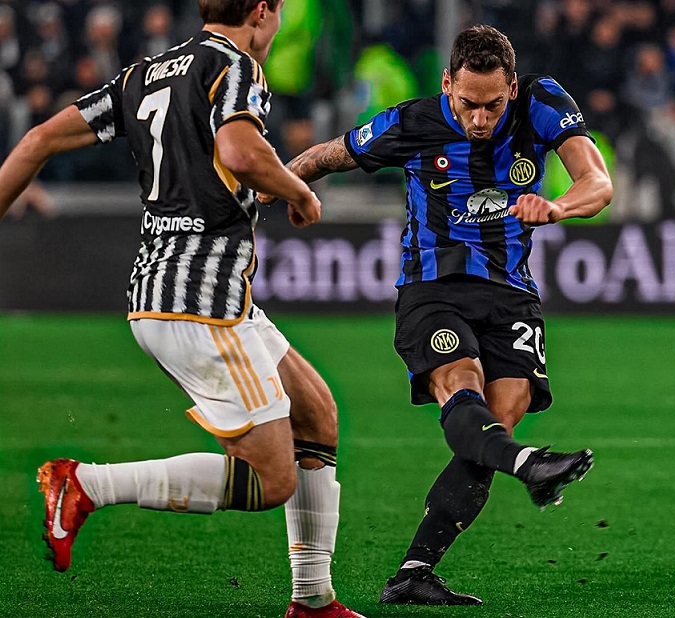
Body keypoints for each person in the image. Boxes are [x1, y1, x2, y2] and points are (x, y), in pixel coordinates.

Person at [0, 2, 364, 617]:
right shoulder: (235, 67)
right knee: (271, 480)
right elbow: (241, 152)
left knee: (316, 415)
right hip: (201, 304)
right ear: (262, 11)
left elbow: (36, 140)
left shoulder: (144, 74)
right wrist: (299, 191)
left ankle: (312, 600)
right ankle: (84, 484)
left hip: (177, 293)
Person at [271, 25, 613, 605]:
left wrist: (557, 206)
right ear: (448, 82)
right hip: (433, 289)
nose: (480, 119)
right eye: (468, 103)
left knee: (495, 424)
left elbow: (598, 183)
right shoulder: (411, 123)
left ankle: (414, 573)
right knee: (463, 383)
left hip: (511, 292)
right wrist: (266, 190)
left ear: (512, 87)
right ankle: (529, 466)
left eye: (493, 106)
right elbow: (328, 156)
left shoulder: (541, 102)